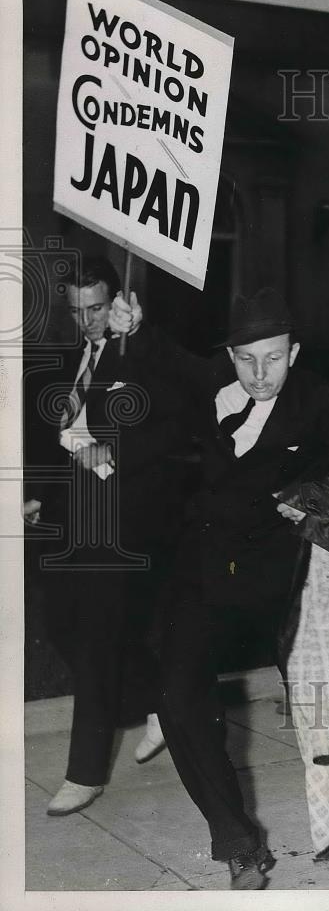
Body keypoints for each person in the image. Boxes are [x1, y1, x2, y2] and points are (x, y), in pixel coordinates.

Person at [111, 286, 329, 891]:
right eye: (247, 358)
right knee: (177, 693)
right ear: (230, 354)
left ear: (294, 351)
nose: (260, 374)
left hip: (286, 578)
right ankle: (237, 842)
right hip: (206, 572)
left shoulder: (322, 404)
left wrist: (318, 499)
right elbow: (166, 360)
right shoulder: (213, 390)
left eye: (274, 359)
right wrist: (136, 326)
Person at [23, 255, 182, 816]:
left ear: (116, 302)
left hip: (123, 520)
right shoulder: (72, 359)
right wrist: (38, 492)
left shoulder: (136, 355)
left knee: (92, 636)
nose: (87, 322)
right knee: (62, 625)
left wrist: (113, 451)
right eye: (77, 311)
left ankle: (85, 773)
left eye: (96, 309)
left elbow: (172, 425)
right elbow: (55, 435)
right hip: (72, 518)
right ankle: (161, 699)